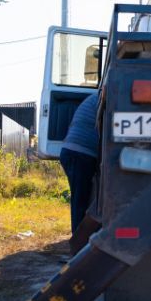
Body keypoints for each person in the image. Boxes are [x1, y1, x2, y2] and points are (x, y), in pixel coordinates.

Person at [60, 91, 100, 234]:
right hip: (79, 154)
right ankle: (78, 241)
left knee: (82, 199)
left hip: (76, 153)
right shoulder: (104, 98)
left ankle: (82, 237)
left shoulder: (96, 98)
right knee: (80, 201)